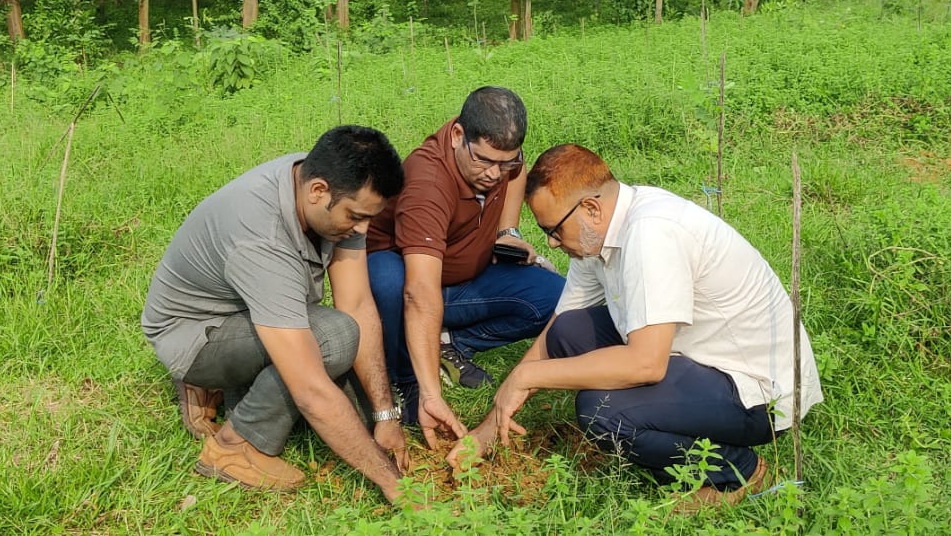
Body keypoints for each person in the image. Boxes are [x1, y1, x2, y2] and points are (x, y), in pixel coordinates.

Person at [459, 143, 823, 509]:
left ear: (590, 208)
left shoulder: (651, 234)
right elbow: (557, 328)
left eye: (553, 230)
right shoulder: (595, 234)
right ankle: (672, 431)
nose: (552, 243)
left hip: (757, 390)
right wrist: (490, 425)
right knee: (568, 331)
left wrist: (526, 378)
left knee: (602, 411)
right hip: (697, 355)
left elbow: (646, 364)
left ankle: (738, 471)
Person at [141, 125, 410, 503]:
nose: (362, 229)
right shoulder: (261, 235)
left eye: (369, 217)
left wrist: (386, 415)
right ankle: (236, 445)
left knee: (360, 416)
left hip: (248, 311)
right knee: (334, 339)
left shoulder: (324, 182)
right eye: (356, 216)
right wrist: (393, 483)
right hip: (195, 335)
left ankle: (236, 394)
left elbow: (358, 304)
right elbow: (311, 391)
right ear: (318, 191)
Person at [365, 86, 564, 447]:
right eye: (485, 161)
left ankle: (447, 342)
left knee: (554, 296)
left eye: (506, 162)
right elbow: (419, 293)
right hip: (410, 282)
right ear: (458, 136)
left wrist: (508, 230)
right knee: (390, 282)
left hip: (464, 278)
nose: (494, 174)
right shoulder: (427, 184)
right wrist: (430, 394)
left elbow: (517, 172)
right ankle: (407, 377)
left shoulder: (502, 160)